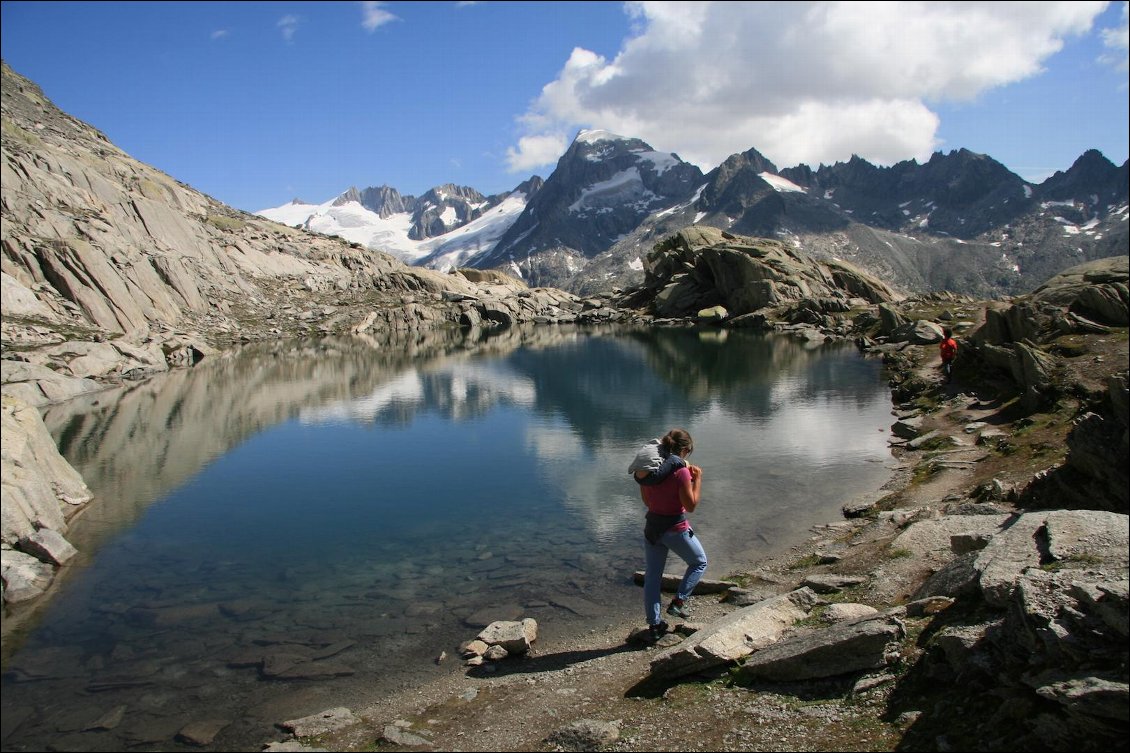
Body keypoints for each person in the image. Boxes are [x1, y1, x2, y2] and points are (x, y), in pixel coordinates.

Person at [636, 428, 707, 642]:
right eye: (688, 453)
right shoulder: (681, 472)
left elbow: (647, 502)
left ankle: (655, 625)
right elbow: (691, 505)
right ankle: (678, 603)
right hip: (676, 529)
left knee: (653, 577)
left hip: (652, 528)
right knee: (699, 562)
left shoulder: (650, 471)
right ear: (684, 450)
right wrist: (697, 479)